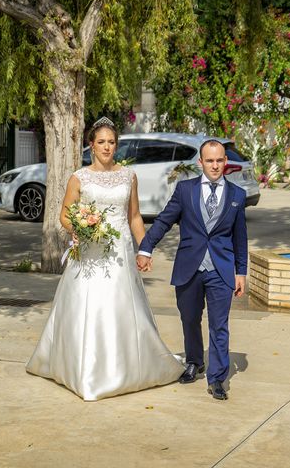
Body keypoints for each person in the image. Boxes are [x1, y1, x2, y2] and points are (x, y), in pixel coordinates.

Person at [26, 117, 184, 401]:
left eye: (111, 142)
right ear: (91, 145)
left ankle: (127, 368)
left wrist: (144, 248)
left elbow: (134, 216)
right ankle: (86, 371)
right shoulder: (79, 177)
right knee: (89, 306)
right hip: (88, 252)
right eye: (101, 142)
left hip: (120, 250)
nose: (107, 147)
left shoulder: (128, 176)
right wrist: (81, 228)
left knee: (121, 306)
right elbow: (64, 214)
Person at [137, 139, 248, 401]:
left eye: (220, 160)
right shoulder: (185, 190)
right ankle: (195, 361)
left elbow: (240, 238)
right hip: (190, 267)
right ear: (200, 162)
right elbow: (164, 220)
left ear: (225, 162)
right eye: (209, 160)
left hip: (221, 270)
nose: (215, 165)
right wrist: (145, 248)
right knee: (189, 319)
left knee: (219, 326)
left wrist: (240, 271)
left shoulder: (237, 195)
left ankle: (217, 378)